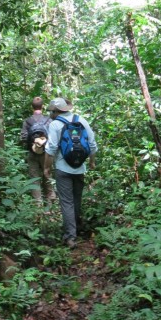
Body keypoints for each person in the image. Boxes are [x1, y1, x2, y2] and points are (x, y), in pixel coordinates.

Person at [44, 97, 97, 248]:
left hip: (62, 168)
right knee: (76, 199)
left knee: (67, 202)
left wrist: (46, 168)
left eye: (51, 112)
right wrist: (92, 162)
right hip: (79, 167)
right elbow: (92, 144)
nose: (50, 114)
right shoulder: (81, 120)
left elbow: (51, 149)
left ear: (56, 111)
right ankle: (75, 228)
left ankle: (70, 237)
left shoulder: (55, 124)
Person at [20, 96, 56, 203]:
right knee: (48, 176)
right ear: (43, 106)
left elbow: (23, 137)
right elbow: (53, 137)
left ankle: (38, 204)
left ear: (32, 107)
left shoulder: (27, 121)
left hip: (32, 153)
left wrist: (33, 142)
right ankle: (50, 203)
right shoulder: (49, 120)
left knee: (34, 178)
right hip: (47, 154)